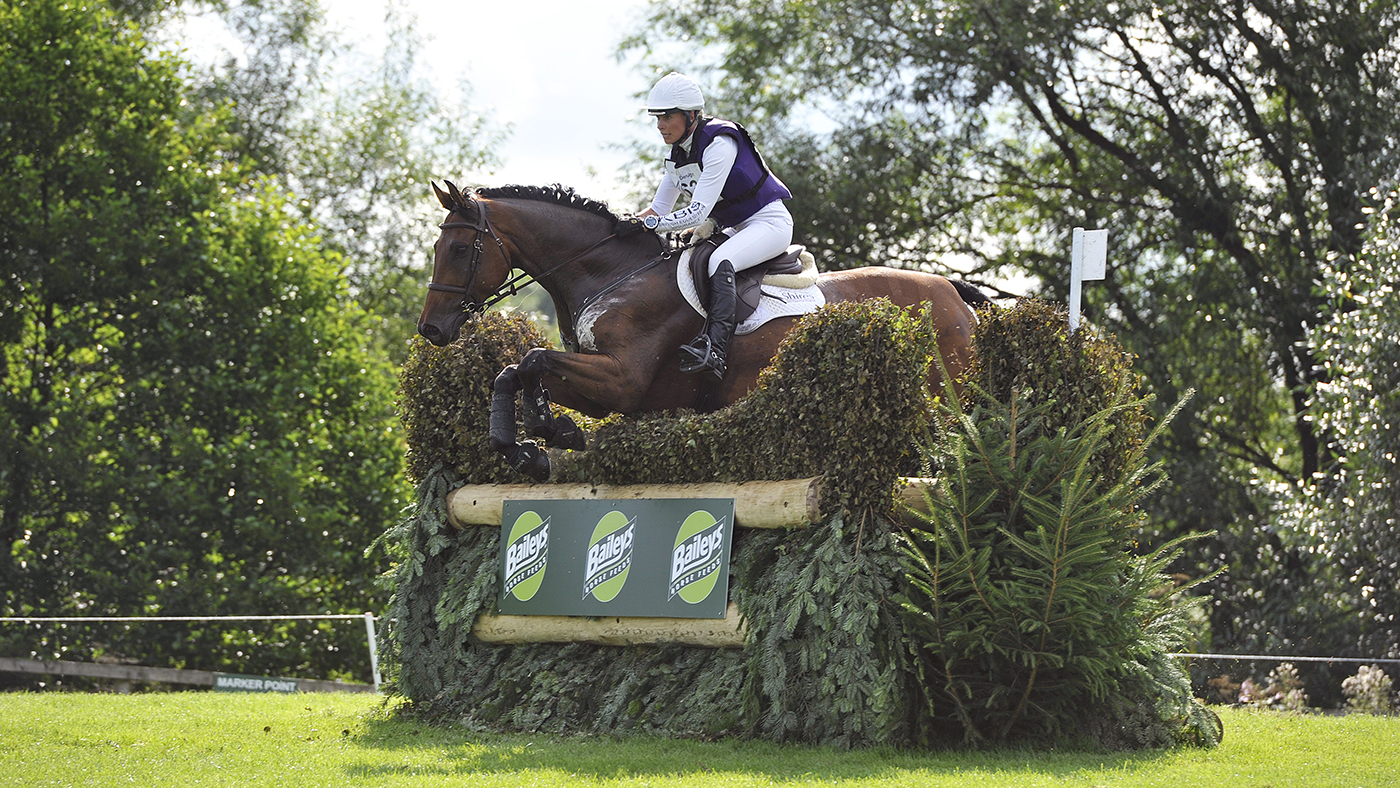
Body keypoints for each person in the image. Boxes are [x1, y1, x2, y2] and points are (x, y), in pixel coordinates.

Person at [617, 72, 794, 380]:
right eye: (657, 118)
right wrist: (621, 223)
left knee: (720, 260)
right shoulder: (677, 156)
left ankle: (715, 351)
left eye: (667, 117)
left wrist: (648, 225)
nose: (660, 125)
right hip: (737, 227)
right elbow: (657, 210)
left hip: (769, 222)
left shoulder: (719, 144)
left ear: (691, 116)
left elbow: (697, 214)